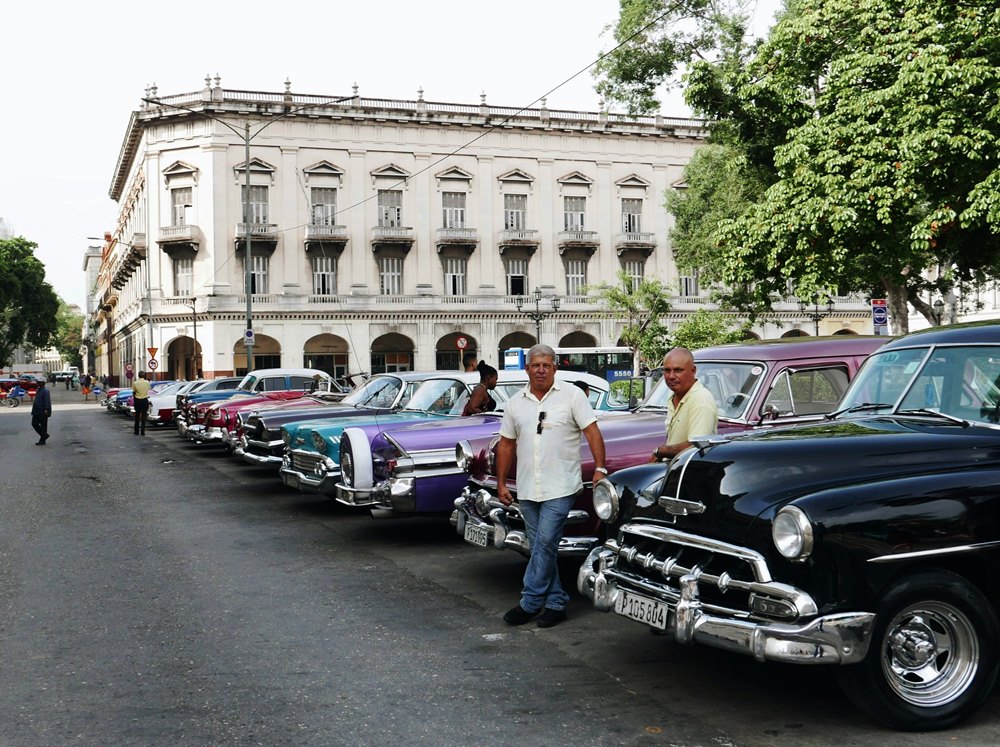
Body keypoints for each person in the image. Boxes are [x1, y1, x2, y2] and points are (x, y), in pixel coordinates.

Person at [497, 344, 607, 629]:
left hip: (561, 485)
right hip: (527, 487)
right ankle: (556, 602)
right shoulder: (515, 403)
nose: (541, 370)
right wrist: (501, 483)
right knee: (539, 547)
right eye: (536, 365)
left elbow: (592, 432)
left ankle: (530, 601)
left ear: (555, 368)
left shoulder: (572, 395)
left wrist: (600, 468)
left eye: (546, 365)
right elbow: (506, 444)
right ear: (527, 369)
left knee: (545, 542)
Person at [649, 346, 718, 463]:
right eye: (667, 370)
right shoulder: (673, 396)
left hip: (690, 470)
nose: (671, 376)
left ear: (693, 371)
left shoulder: (701, 399)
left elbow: (697, 446)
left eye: (678, 370)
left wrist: (661, 451)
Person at [31, 379, 52, 445]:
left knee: (43, 426)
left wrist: (46, 409)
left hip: (43, 411)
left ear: (43, 383)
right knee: (34, 424)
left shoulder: (45, 391)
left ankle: (42, 440)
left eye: (39, 382)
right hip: (36, 410)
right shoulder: (38, 390)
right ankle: (44, 435)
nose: (37, 383)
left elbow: (47, 401)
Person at [132, 371, 151, 435]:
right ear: (144, 376)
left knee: (137, 416)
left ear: (138, 376)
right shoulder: (147, 382)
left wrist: (134, 401)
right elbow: (149, 389)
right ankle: (143, 432)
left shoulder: (135, 383)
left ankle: (136, 431)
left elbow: (133, 392)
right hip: (145, 400)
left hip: (137, 400)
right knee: (144, 417)